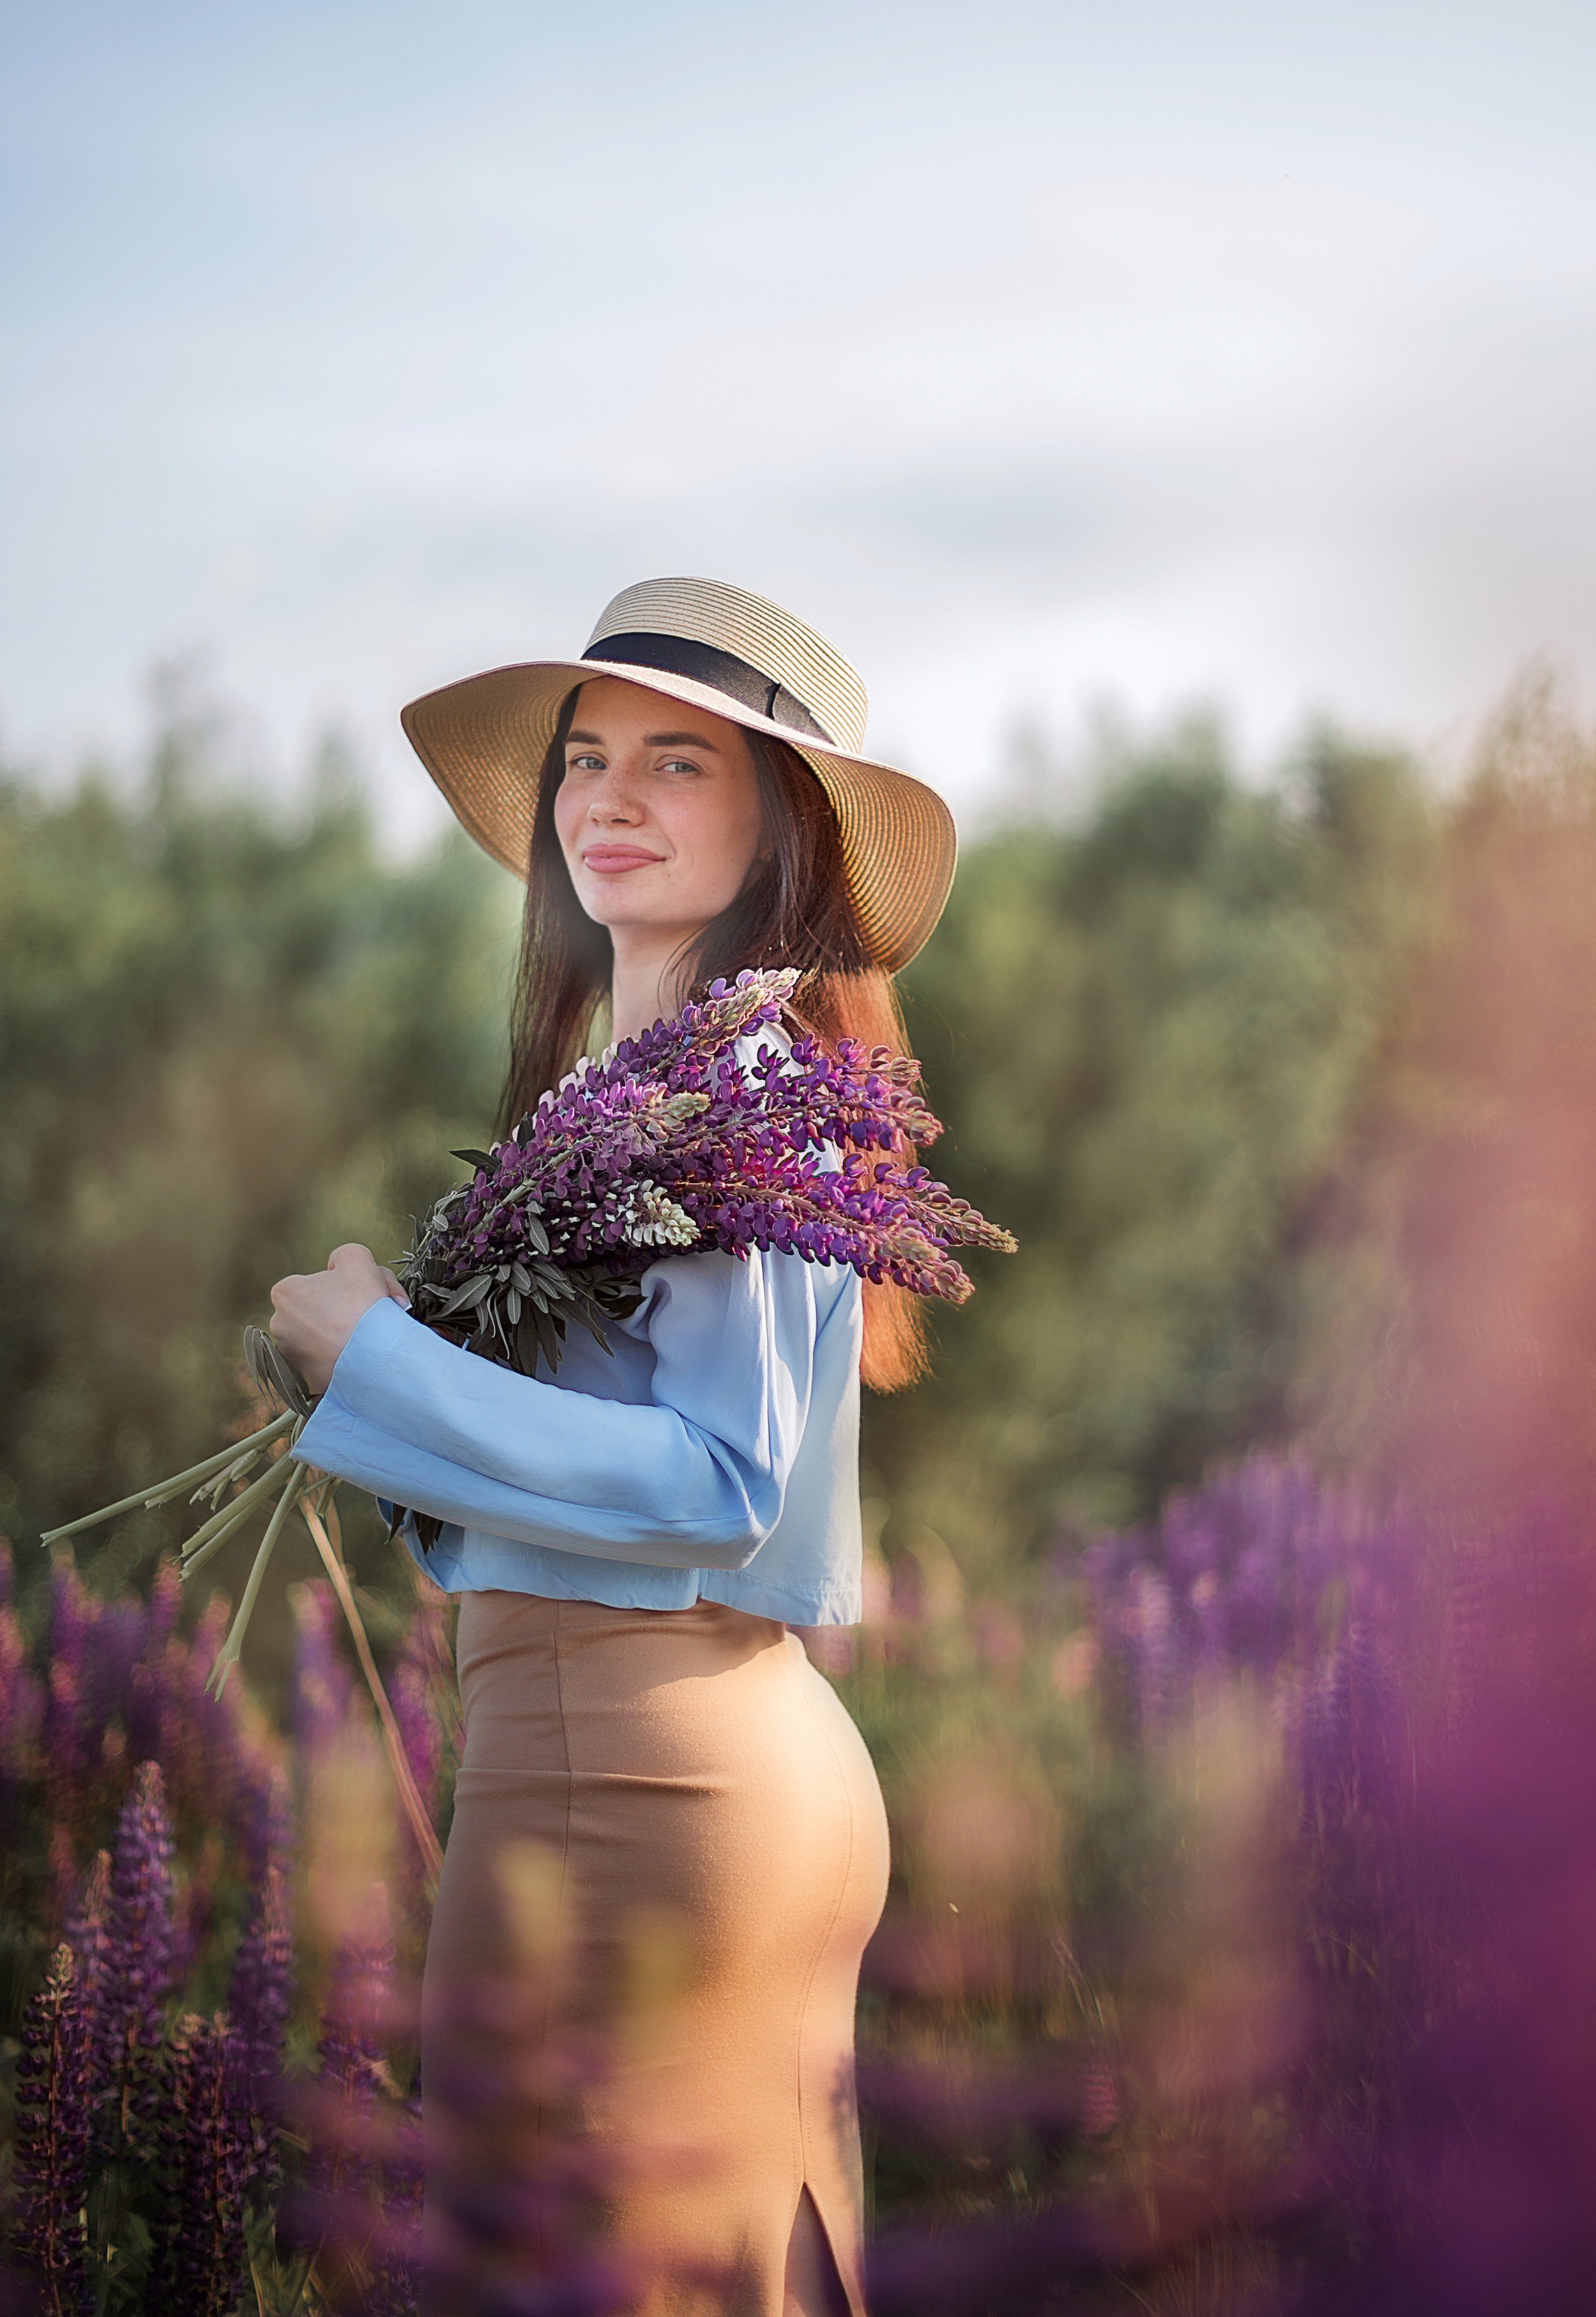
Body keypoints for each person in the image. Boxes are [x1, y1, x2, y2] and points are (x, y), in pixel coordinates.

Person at [268, 577, 958, 2316]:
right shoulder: (658, 1084)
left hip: (627, 1769)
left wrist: (379, 1369)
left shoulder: (751, 1098)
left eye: (679, 765)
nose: (608, 801)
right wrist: (392, 1384)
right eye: (587, 759)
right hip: (711, 1754)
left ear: (777, 821)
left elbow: (714, 1482)